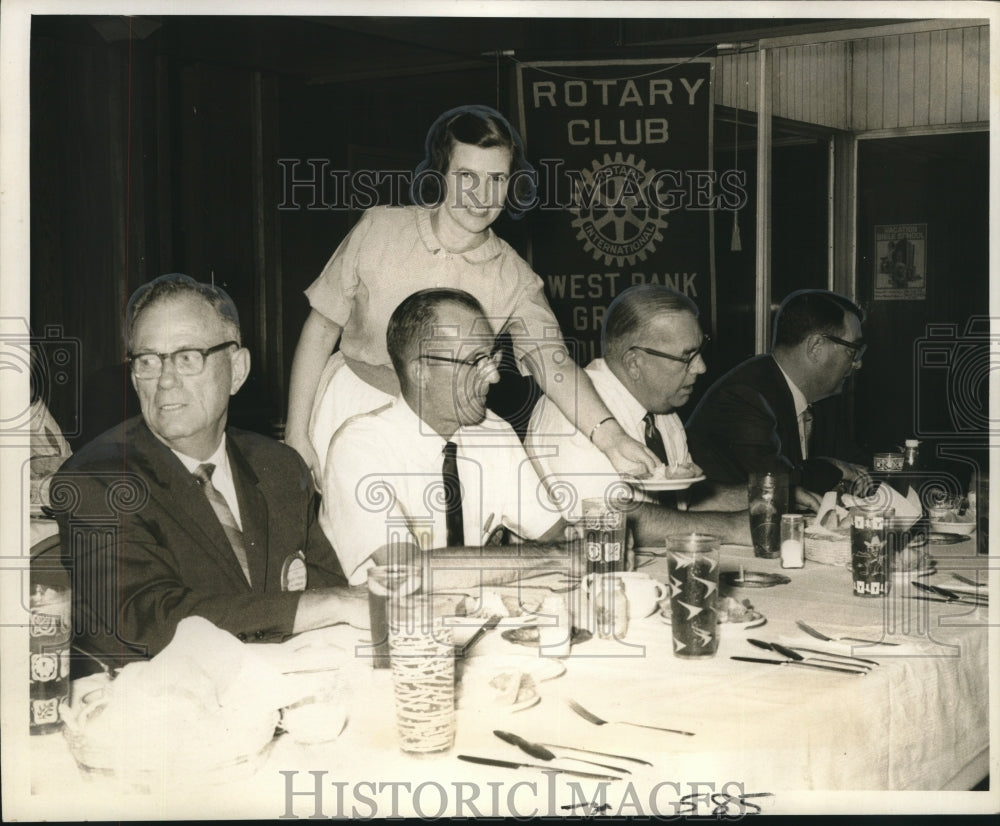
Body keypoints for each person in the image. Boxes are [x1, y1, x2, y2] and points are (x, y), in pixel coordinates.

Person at [284, 104, 656, 489]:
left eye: (496, 179)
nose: (482, 195)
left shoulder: (514, 276)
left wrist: (611, 437)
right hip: (349, 406)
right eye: (467, 176)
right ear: (441, 174)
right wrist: (296, 432)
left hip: (442, 423)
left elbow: (554, 364)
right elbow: (320, 330)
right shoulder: (380, 228)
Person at [52, 274, 365, 675]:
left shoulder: (280, 468)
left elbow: (327, 587)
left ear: (237, 369)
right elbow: (142, 621)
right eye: (147, 361)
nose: (165, 380)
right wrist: (329, 604)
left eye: (187, 357)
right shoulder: (96, 479)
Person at [321, 288, 572, 586]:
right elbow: (407, 574)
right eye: (474, 361)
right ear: (421, 371)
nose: (493, 376)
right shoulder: (359, 447)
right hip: (386, 626)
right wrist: (552, 557)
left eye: (492, 357)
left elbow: (560, 537)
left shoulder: (494, 432)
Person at [525, 285, 755, 543]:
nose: (701, 367)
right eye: (686, 357)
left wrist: (764, 495)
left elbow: (681, 505)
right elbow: (607, 520)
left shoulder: (663, 412)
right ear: (634, 362)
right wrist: (732, 528)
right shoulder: (572, 409)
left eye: (700, 351)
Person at [685, 288, 869, 496]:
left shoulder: (823, 399)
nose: (858, 364)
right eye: (852, 351)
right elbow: (779, 483)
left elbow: (858, 468)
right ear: (816, 346)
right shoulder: (743, 397)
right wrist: (835, 468)